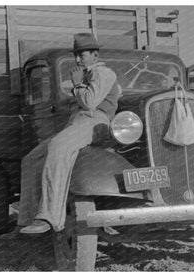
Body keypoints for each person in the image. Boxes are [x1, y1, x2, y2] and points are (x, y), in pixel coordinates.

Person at [13, 33, 122, 234]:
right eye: (76, 55)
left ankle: (49, 218)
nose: (78, 59)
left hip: (94, 122)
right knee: (30, 159)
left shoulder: (103, 73)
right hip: (77, 124)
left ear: (95, 55)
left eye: (83, 55)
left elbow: (89, 102)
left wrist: (77, 84)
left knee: (57, 147)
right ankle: (24, 221)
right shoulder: (90, 75)